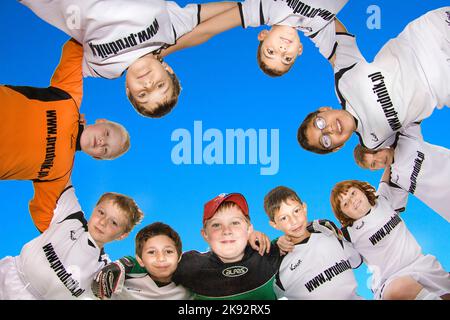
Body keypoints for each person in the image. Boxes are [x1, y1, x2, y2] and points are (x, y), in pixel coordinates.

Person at [20, 0, 237, 118]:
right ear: (168, 69)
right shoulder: (169, 31)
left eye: (142, 94)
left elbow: (62, 89)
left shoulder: (103, 69)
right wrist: (266, 14)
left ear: (127, 89)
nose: (148, 84)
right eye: (160, 85)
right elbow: (225, 16)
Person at [0, 38, 130, 233]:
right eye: (106, 134)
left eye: (105, 149)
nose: (102, 142)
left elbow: (43, 217)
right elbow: (74, 48)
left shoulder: (60, 174)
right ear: (100, 121)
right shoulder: (69, 99)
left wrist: (69, 247)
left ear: (97, 157)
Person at [297, 7, 450, 154]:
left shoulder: (345, 82)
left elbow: (329, 31)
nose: (328, 130)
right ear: (337, 147)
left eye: (320, 124)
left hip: (431, 38)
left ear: (324, 109)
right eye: (325, 141)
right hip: (444, 88)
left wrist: (289, 17)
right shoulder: (374, 143)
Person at [93, 192, 283, 300]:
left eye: (235, 223)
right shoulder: (192, 264)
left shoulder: (269, 252)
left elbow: (302, 234)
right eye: (216, 225)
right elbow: (158, 258)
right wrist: (123, 264)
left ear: (249, 228)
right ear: (204, 235)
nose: (227, 231)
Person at [0, 179, 144, 299]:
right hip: (8, 273)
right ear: (94, 208)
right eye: (101, 213)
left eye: (114, 222)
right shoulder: (71, 215)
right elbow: (61, 174)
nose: (102, 222)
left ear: (122, 235)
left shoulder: (102, 271)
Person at [330, 180, 450, 300]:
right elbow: (353, 262)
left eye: (353, 193)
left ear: (362, 190)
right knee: (399, 289)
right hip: (391, 280)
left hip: (422, 265)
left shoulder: (383, 200)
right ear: (343, 215)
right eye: (346, 204)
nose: (352, 201)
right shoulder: (348, 234)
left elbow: (390, 165)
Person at [161, 0, 348, 77]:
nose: (282, 51)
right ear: (299, 50)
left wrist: (162, 52)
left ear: (263, 35)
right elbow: (344, 69)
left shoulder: (264, 10)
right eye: (287, 58)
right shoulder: (319, 30)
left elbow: (207, 30)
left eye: (271, 51)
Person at [264, 186, 363, 299]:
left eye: (296, 211)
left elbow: (356, 260)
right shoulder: (276, 262)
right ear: (274, 224)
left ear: (304, 208)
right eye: (284, 218)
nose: (294, 221)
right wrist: (275, 244)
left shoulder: (327, 230)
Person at [353, 123, 450, 222]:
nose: (380, 159)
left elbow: (411, 111)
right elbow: (382, 209)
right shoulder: (394, 180)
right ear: (374, 169)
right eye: (374, 164)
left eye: (376, 152)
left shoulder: (404, 136)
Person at [93, 222, 192, 300]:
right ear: (140, 260)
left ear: (179, 256)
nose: (161, 258)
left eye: (168, 251)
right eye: (151, 252)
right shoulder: (122, 280)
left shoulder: (191, 287)